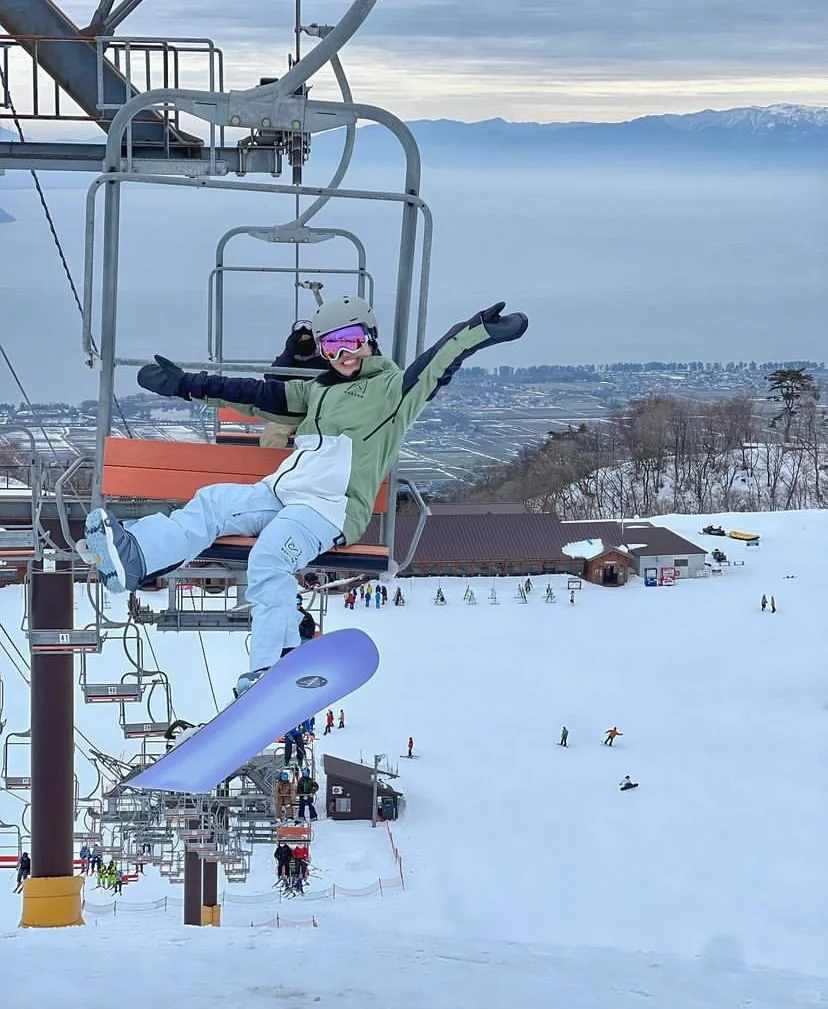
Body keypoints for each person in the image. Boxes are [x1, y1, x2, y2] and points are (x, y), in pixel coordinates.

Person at [79, 298, 528, 696]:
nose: (343, 355)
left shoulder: (392, 392)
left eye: (351, 341)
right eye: (332, 346)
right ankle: (137, 556)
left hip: (329, 509)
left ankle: (271, 664)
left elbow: (435, 364)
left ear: (370, 338)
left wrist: (478, 331)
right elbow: (257, 396)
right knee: (214, 502)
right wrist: (187, 384)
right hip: (282, 494)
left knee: (269, 558)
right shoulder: (318, 391)